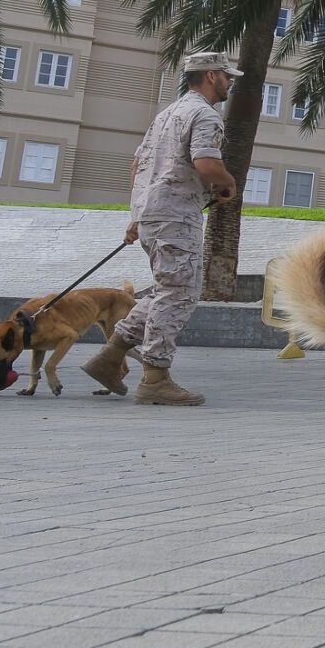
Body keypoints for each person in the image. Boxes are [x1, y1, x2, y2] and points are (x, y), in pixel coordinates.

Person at [81, 52, 241, 406]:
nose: (231, 83)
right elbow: (205, 162)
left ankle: (109, 357)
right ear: (212, 76)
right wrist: (227, 183)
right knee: (179, 294)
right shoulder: (204, 115)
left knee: (167, 289)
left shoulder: (166, 115)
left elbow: (138, 165)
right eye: (228, 77)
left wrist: (137, 216)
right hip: (176, 217)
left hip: (154, 214)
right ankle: (155, 377)